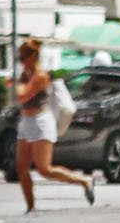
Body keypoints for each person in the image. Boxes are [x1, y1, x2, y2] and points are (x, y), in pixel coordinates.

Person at [14, 37, 94, 212]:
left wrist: (15, 85)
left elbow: (22, 95)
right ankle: (30, 207)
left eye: (22, 57)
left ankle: (84, 181)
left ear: (32, 57)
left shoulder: (40, 77)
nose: (21, 62)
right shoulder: (24, 75)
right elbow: (19, 94)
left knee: (44, 169)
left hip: (41, 122)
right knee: (21, 167)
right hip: (26, 121)